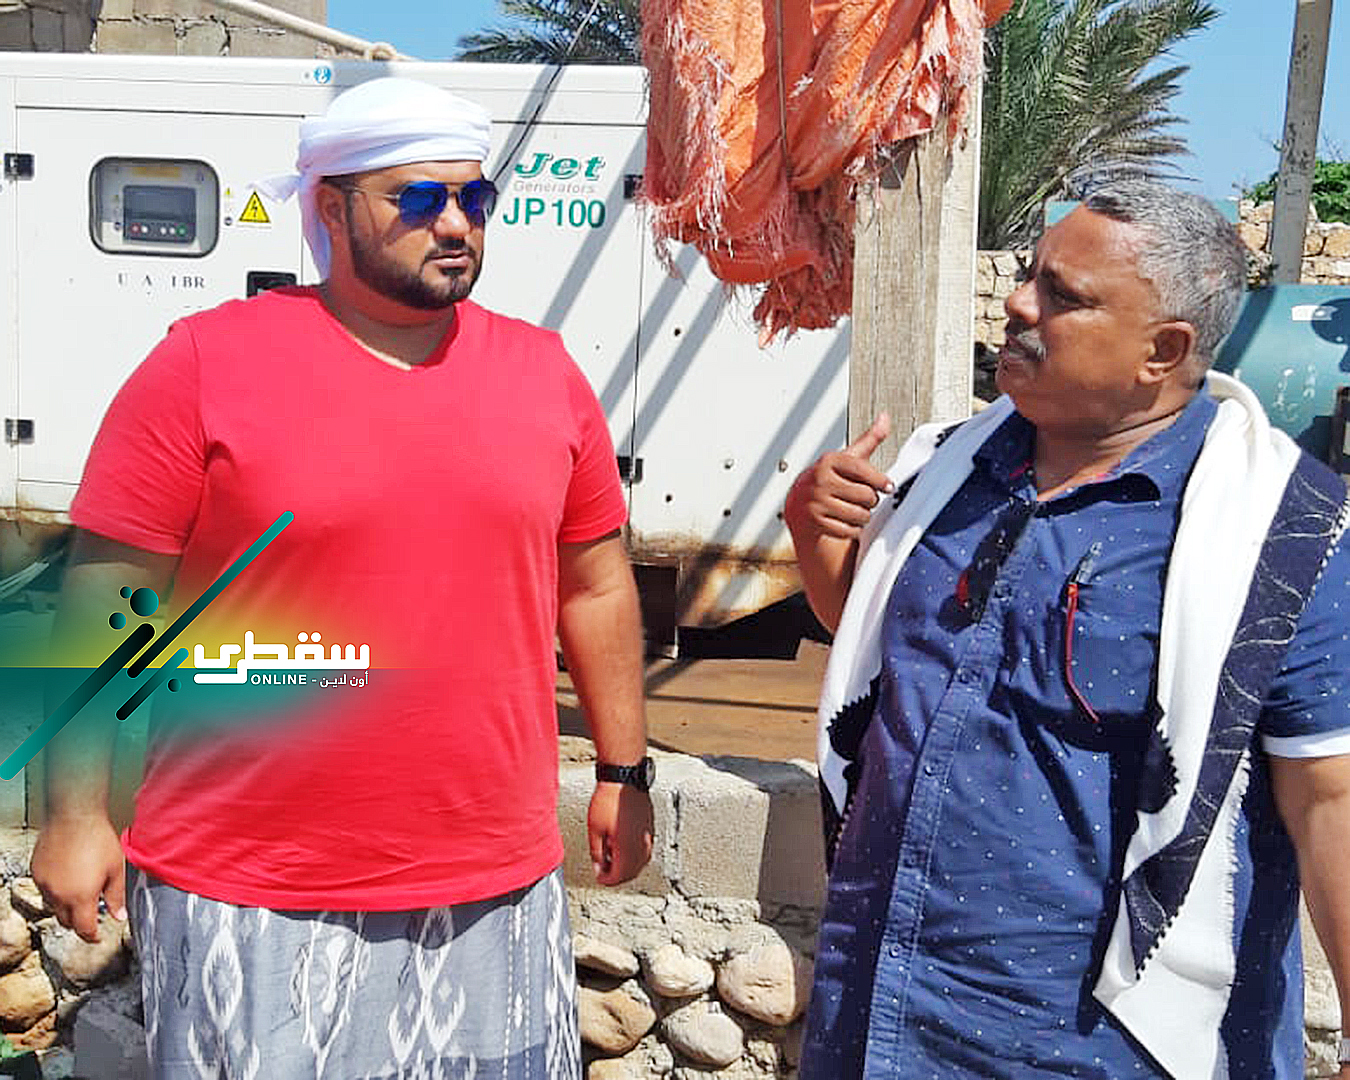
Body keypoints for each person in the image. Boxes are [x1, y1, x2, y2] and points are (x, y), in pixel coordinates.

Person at [29, 76, 654, 1078]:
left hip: (493, 882)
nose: (455, 223)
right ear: (331, 207)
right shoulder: (205, 365)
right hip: (248, 883)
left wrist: (624, 771)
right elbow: (104, 598)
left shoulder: (545, 374)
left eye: (474, 197)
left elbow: (596, 584)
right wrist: (74, 815)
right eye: (420, 198)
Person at [785, 178, 1350, 1079]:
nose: (1018, 304)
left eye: (1063, 295)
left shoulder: (1285, 534)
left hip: (1099, 1045)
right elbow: (888, 655)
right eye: (1029, 274)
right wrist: (814, 530)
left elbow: (1329, 798)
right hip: (882, 1013)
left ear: (1163, 351)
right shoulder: (945, 469)